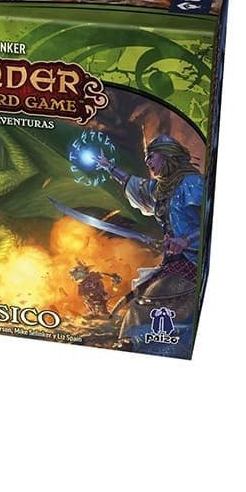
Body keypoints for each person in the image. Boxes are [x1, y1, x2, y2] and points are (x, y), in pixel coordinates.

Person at [96, 135, 204, 352]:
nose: (148, 162)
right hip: (173, 260)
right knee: (143, 296)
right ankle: (135, 341)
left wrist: (185, 240)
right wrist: (109, 167)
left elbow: (210, 222)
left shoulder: (192, 183)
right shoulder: (161, 188)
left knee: (155, 295)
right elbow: (137, 186)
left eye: (151, 156)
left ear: (167, 156)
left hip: (195, 259)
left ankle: (149, 343)